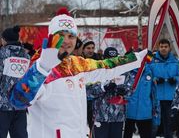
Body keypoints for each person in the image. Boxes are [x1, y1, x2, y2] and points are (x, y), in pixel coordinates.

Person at [9, 8, 147, 138]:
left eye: (71, 36)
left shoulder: (76, 64)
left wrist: (137, 58)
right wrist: (42, 68)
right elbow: (18, 100)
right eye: (61, 35)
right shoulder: (39, 66)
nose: (67, 41)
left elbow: (106, 66)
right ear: (52, 37)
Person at [86, 47, 133, 138]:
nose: (112, 61)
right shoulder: (97, 72)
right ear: (104, 59)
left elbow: (131, 90)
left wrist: (124, 91)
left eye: (114, 59)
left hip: (117, 117)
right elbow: (89, 91)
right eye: (109, 59)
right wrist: (103, 87)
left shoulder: (124, 72)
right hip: (100, 116)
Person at [0, 25, 30, 138]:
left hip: (2, 106)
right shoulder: (26, 56)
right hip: (20, 104)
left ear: (4, 39)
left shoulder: (2, 54)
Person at [124, 51, 160, 138]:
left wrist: (156, 109)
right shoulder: (128, 72)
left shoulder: (150, 72)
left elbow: (155, 93)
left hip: (145, 112)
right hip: (128, 111)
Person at [149, 39, 179, 138]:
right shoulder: (152, 60)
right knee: (154, 123)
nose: (163, 49)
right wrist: (155, 79)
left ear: (169, 48)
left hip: (170, 97)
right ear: (158, 47)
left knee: (168, 123)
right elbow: (147, 74)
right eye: (161, 46)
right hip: (156, 97)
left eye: (165, 47)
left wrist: (175, 79)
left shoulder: (176, 61)